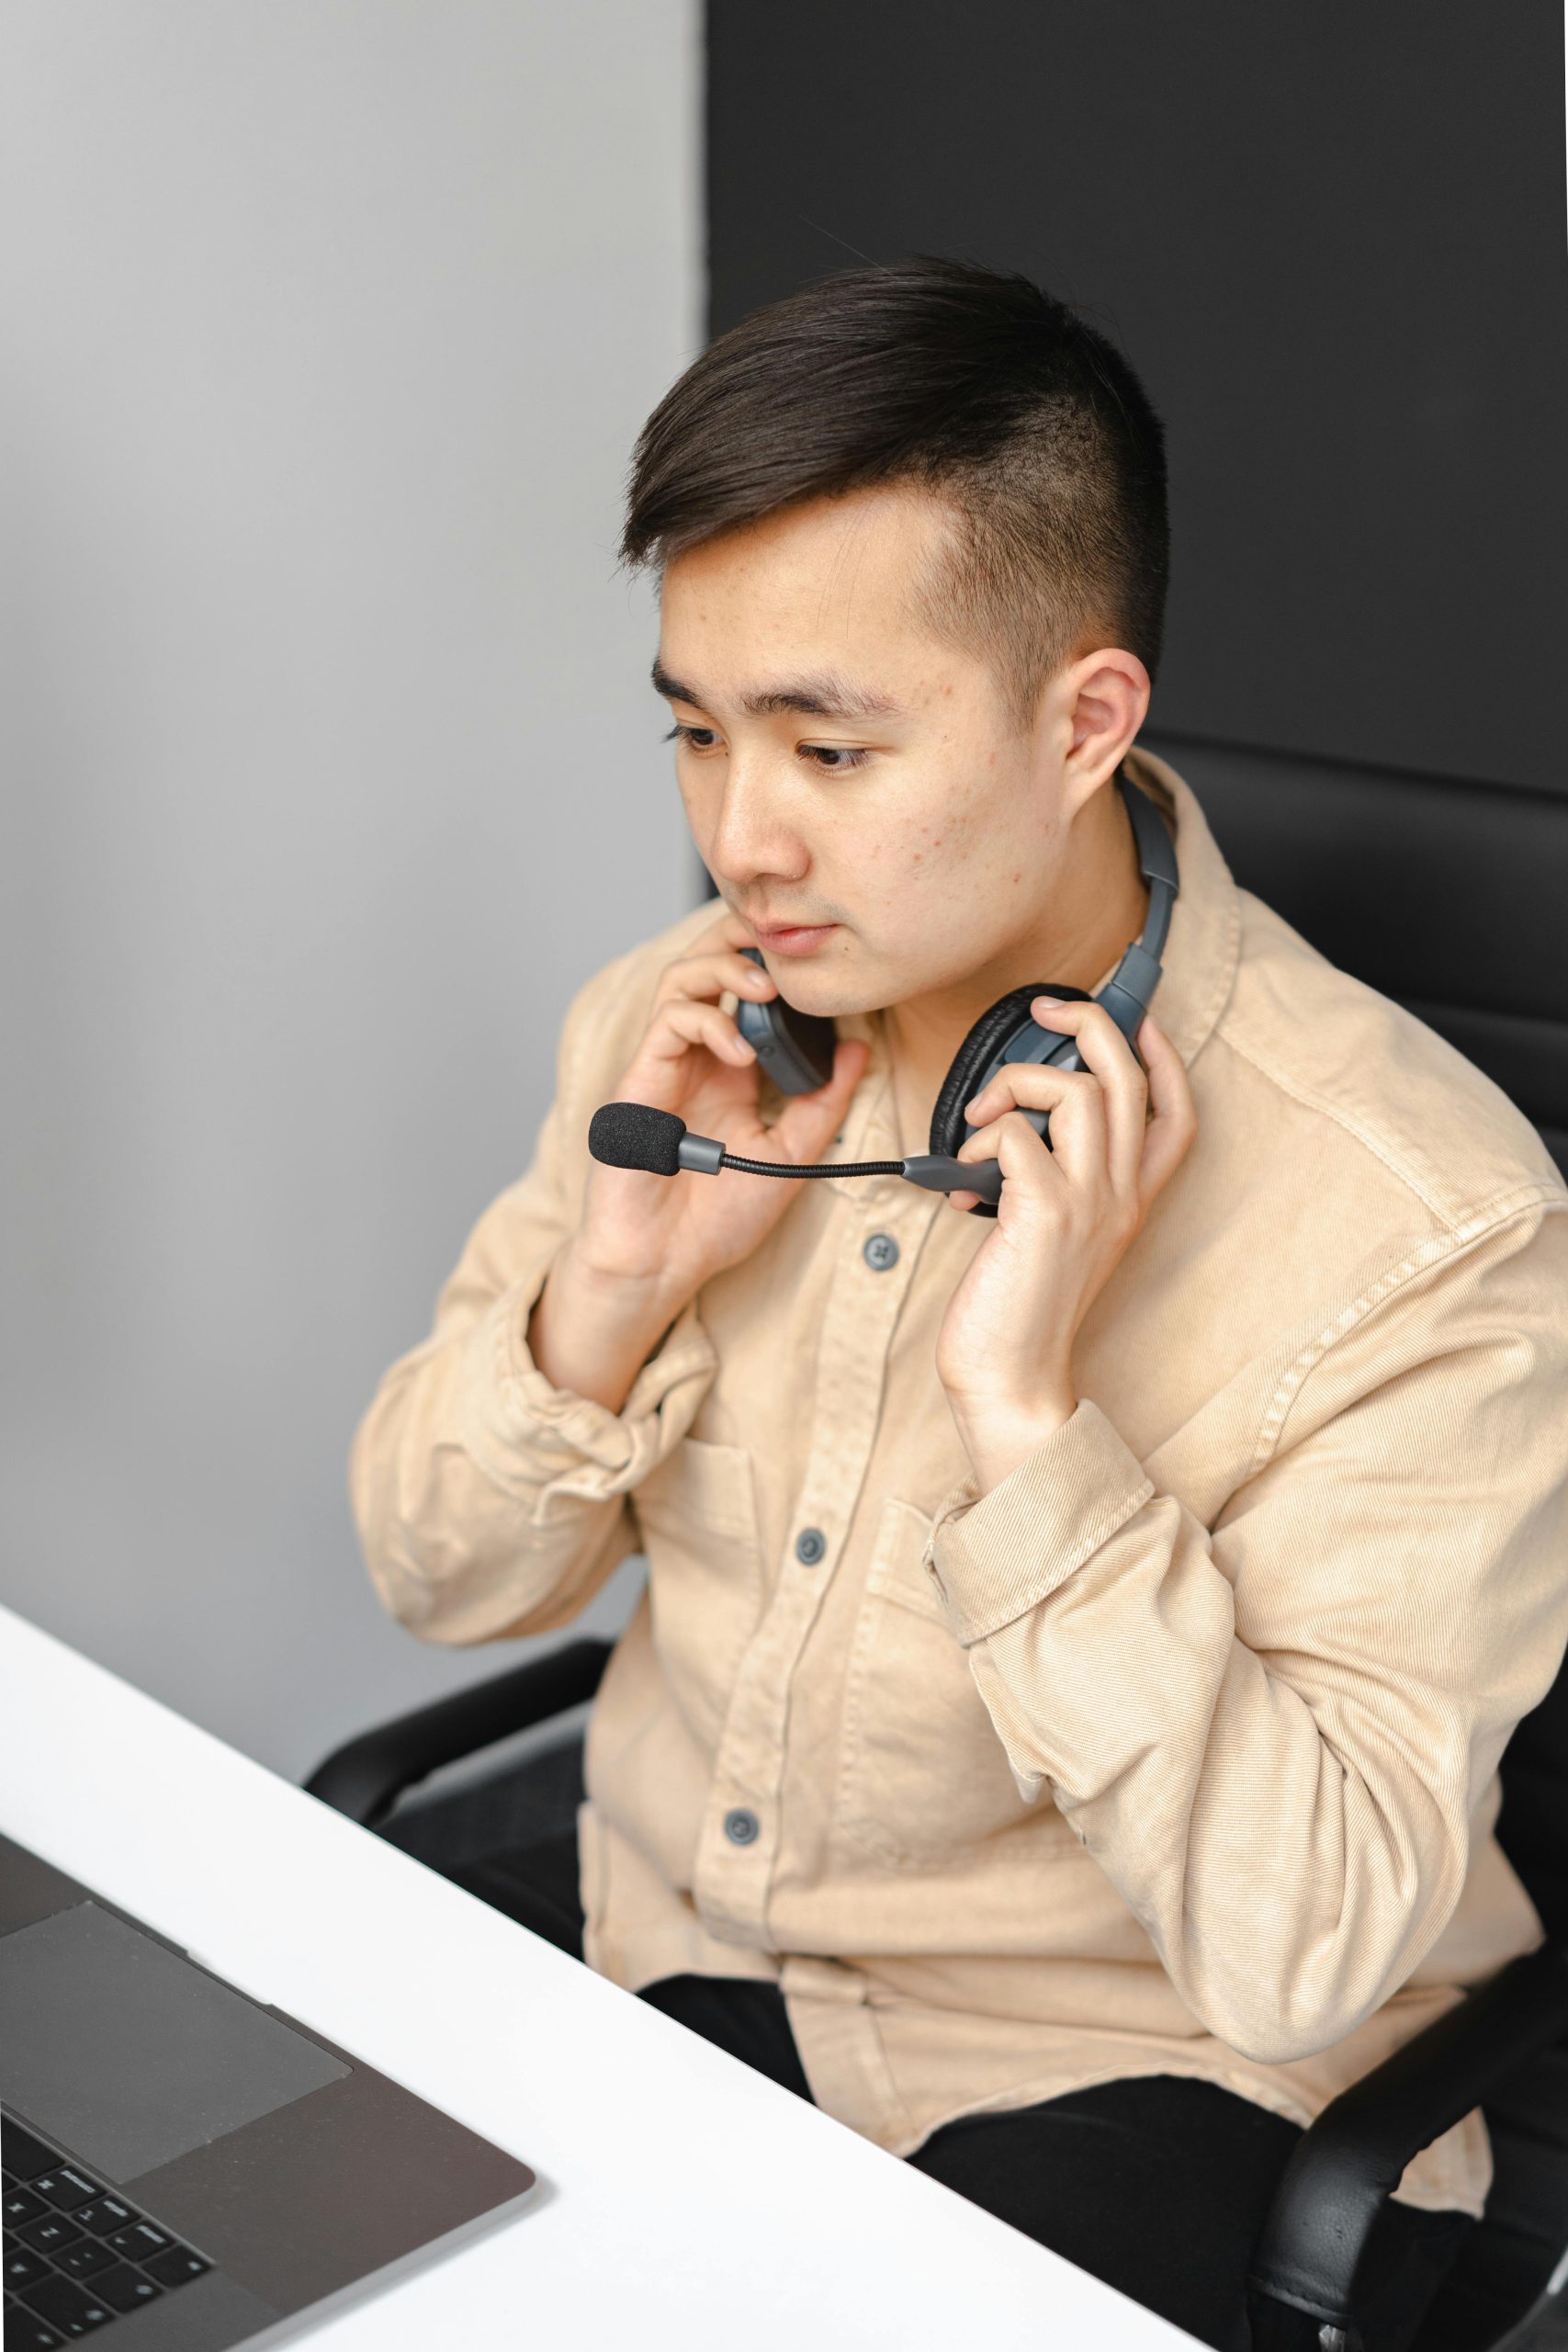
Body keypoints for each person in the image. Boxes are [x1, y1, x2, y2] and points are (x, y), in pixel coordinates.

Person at [348, 257, 1568, 2350]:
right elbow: (435, 1576)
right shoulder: (679, 1042)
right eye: (697, 730)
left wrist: (1025, 1414)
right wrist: (607, 1297)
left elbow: (1304, 1944)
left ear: (1082, 719)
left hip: (1139, 2062)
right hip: (667, 1957)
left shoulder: (1426, 1218)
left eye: (828, 742)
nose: (742, 834)